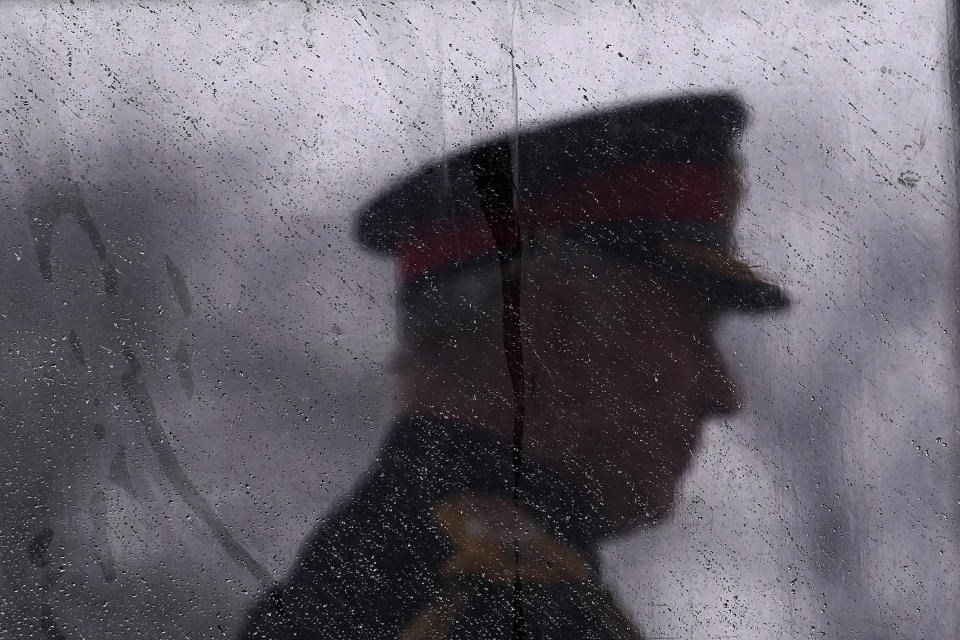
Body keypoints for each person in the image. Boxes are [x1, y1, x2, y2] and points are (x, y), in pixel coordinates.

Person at [239, 92, 788, 639]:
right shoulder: (508, 604)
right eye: (692, 336)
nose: (724, 395)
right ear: (550, 339)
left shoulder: (377, 572)